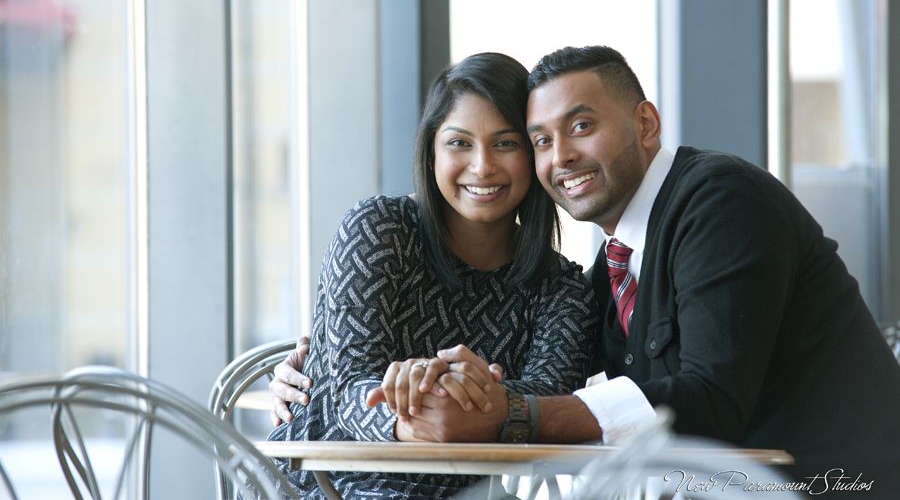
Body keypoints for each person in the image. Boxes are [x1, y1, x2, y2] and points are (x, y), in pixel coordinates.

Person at [273, 45, 900, 497]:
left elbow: (703, 399)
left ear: (645, 125)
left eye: (580, 126)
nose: (560, 154)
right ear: (430, 149)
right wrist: (324, 377)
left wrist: (499, 415)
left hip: (827, 484)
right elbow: (554, 407)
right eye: (541, 138)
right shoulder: (608, 268)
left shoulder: (717, 203)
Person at [265, 51, 600, 499]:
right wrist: (435, 409)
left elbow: (543, 408)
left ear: (535, 152)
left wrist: (435, 392)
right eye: (460, 143)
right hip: (328, 486)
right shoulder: (379, 229)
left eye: (505, 143)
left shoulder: (565, 291)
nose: (482, 166)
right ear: (431, 152)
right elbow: (345, 392)